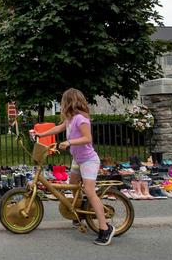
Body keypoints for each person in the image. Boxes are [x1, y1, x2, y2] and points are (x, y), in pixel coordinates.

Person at [30, 88, 116, 246]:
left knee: (89, 191)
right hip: (78, 160)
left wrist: (69, 142)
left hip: (89, 160)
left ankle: (105, 228)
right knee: (74, 187)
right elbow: (58, 128)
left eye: (63, 101)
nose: (62, 104)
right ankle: (80, 216)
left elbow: (87, 138)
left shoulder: (81, 119)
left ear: (69, 102)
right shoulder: (70, 119)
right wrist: (40, 135)